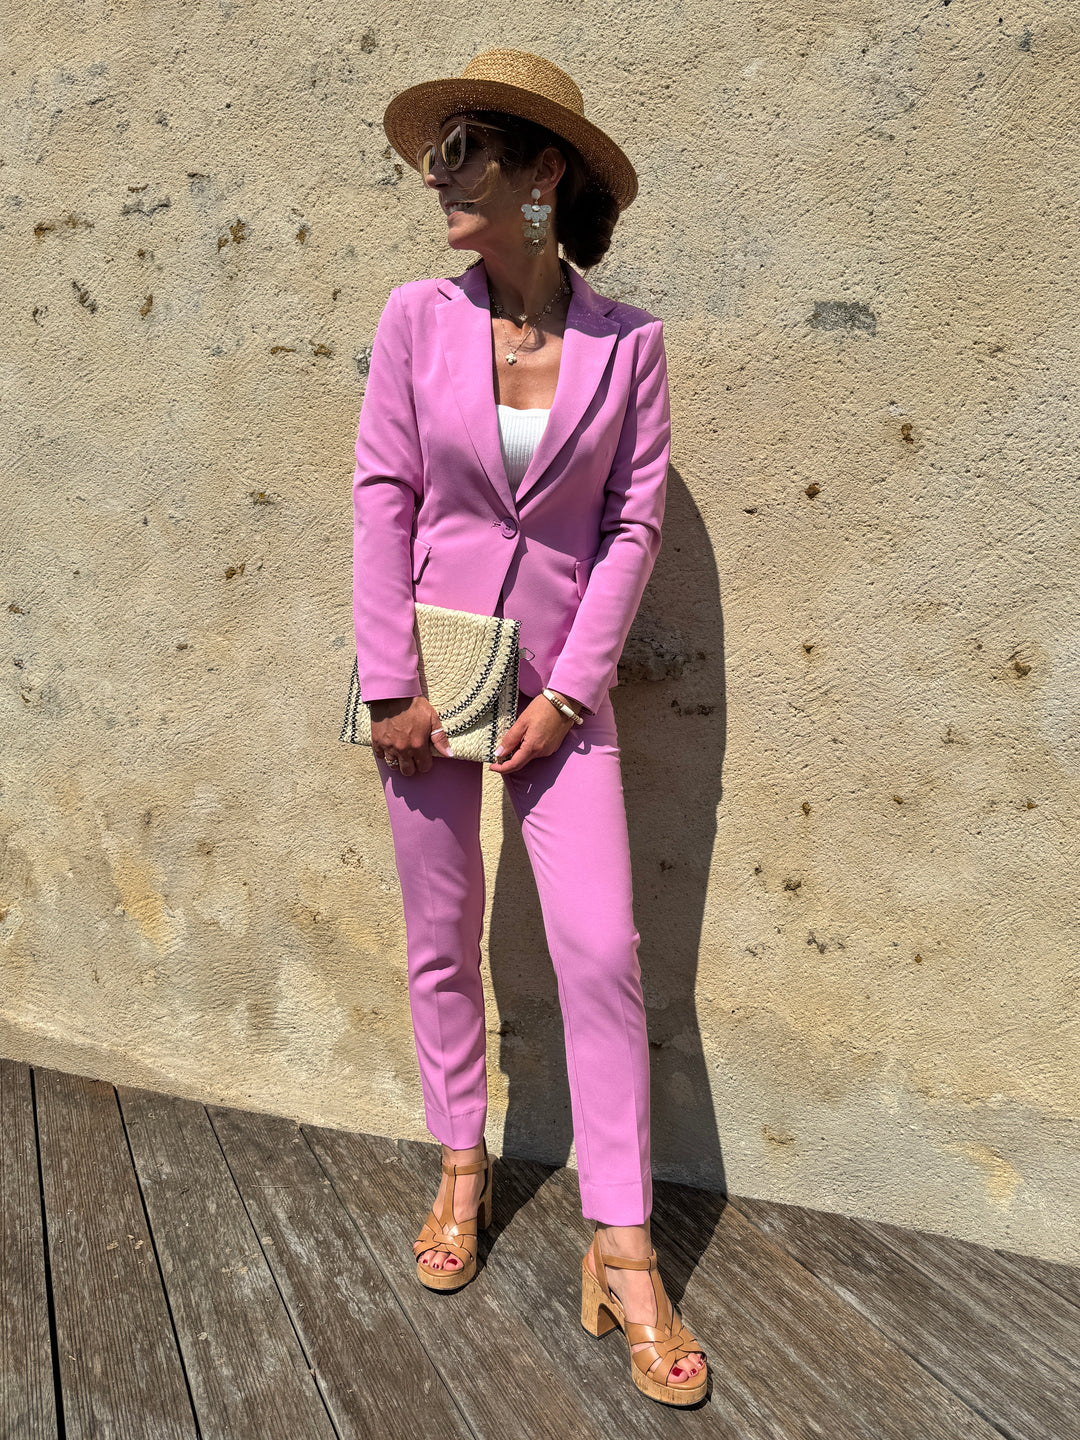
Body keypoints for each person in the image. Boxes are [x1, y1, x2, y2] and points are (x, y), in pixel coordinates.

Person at [351, 48, 708, 1406]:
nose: (435, 177)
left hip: (566, 689)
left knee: (602, 953)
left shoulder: (630, 348)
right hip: (431, 675)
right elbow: (383, 496)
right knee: (441, 933)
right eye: (433, 153)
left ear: (541, 171)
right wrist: (389, 680)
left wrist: (568, 693)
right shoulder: (415, 321)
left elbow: (631, 526)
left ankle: (622, 1243)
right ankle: (462, 1163)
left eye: (462, 152)